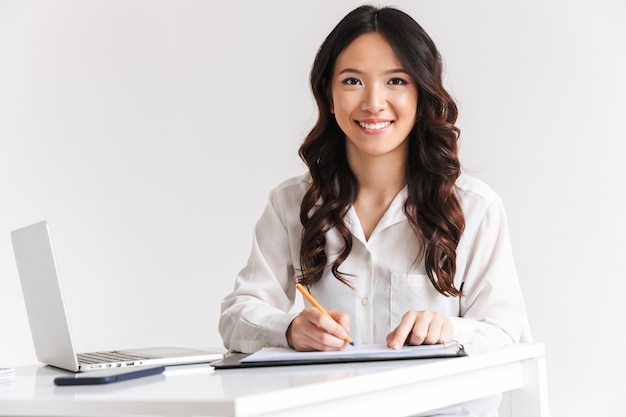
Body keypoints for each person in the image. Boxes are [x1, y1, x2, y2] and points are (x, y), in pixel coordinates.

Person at [219, 5, 531, 416]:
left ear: (421, 95)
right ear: (329, 96)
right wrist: (290, 328)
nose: (373, 102)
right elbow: (237, 315)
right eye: (352, 81)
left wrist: (448, 329)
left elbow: (508, 334)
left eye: (396, 81)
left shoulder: (475, 208)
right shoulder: (292, 204)